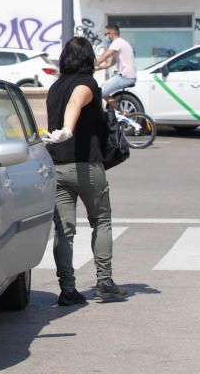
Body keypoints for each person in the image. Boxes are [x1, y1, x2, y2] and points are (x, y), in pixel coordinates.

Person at [42, 36, 127, 305]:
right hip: (86, 166)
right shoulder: (87, 83)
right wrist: (68, 130)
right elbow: (75, 103)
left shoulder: (55, 87)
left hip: (57, 166)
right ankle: (104, 281)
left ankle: (67, 289)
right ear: (89, 59)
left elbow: (70, 105)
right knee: (100, 220)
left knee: (63, 230)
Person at [95, 24, 137, 105]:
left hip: (125, 76)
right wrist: (97, 68)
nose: (106, 37)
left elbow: (105, 56)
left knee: (100, 92)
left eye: (106, 34)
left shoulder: (117, 42)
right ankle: (121, 112)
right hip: (127, 76)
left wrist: (91, 64)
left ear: (112, 33)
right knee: (103, 93)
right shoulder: (120, 43)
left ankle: (116, 112)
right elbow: (111, 63)